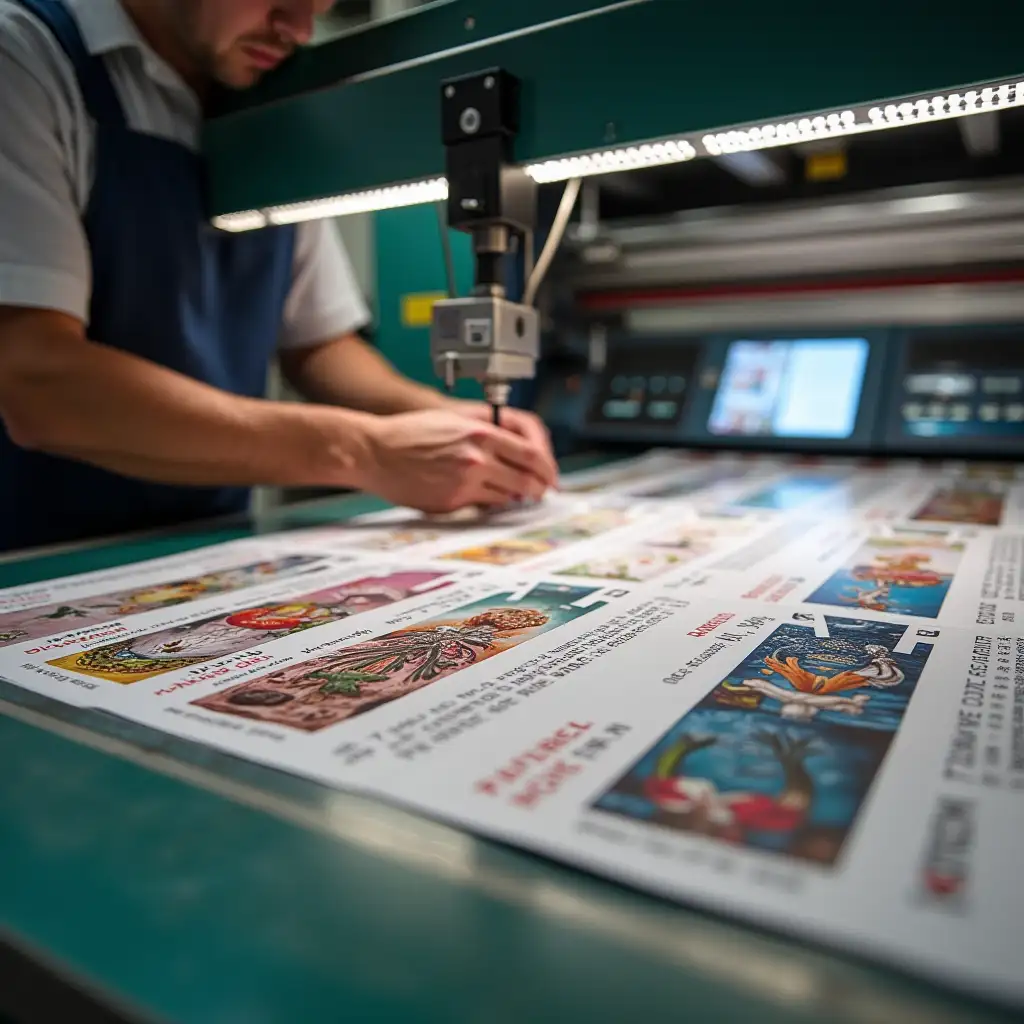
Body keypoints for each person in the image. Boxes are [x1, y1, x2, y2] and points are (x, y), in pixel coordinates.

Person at [0, 0, 558, 553]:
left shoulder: (265, 111)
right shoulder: (28, 57)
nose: (299, 29)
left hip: (203, 541)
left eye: (319, 6)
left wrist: (452, 421)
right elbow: (36, 378)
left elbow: (319, 345)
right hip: (35, 552)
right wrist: (363, 450)